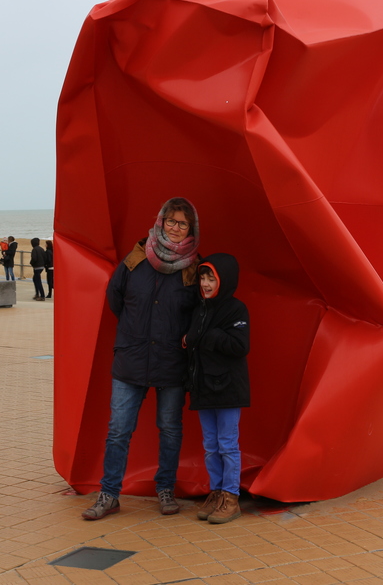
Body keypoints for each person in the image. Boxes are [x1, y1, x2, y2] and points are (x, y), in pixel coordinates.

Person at [82, 197, 201, 521]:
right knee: (118, 429)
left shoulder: (193, 267)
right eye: (171, 221)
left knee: (170, 428)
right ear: (160, 221)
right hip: (131, 358)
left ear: (191, 229)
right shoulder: (136, 258)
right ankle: (109, 494)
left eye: (183, 224)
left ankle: (166, 489)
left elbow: (198, 312)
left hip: (171, 361)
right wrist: (135, 329)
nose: (176, 229)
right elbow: (115, 296)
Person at [185, 254, 250, 524]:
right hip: (203, 387)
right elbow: (193, 342)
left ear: (224, 280)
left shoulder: (236, 309)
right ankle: (216, 492)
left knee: (227, 445)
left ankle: (231, 497)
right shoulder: (199, 308)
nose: (206, 283)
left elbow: (240, 346)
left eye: (211, 278)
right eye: (203, 277)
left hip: (227, 389)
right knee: (210, 446)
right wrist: (190, 339)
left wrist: (206, 336)